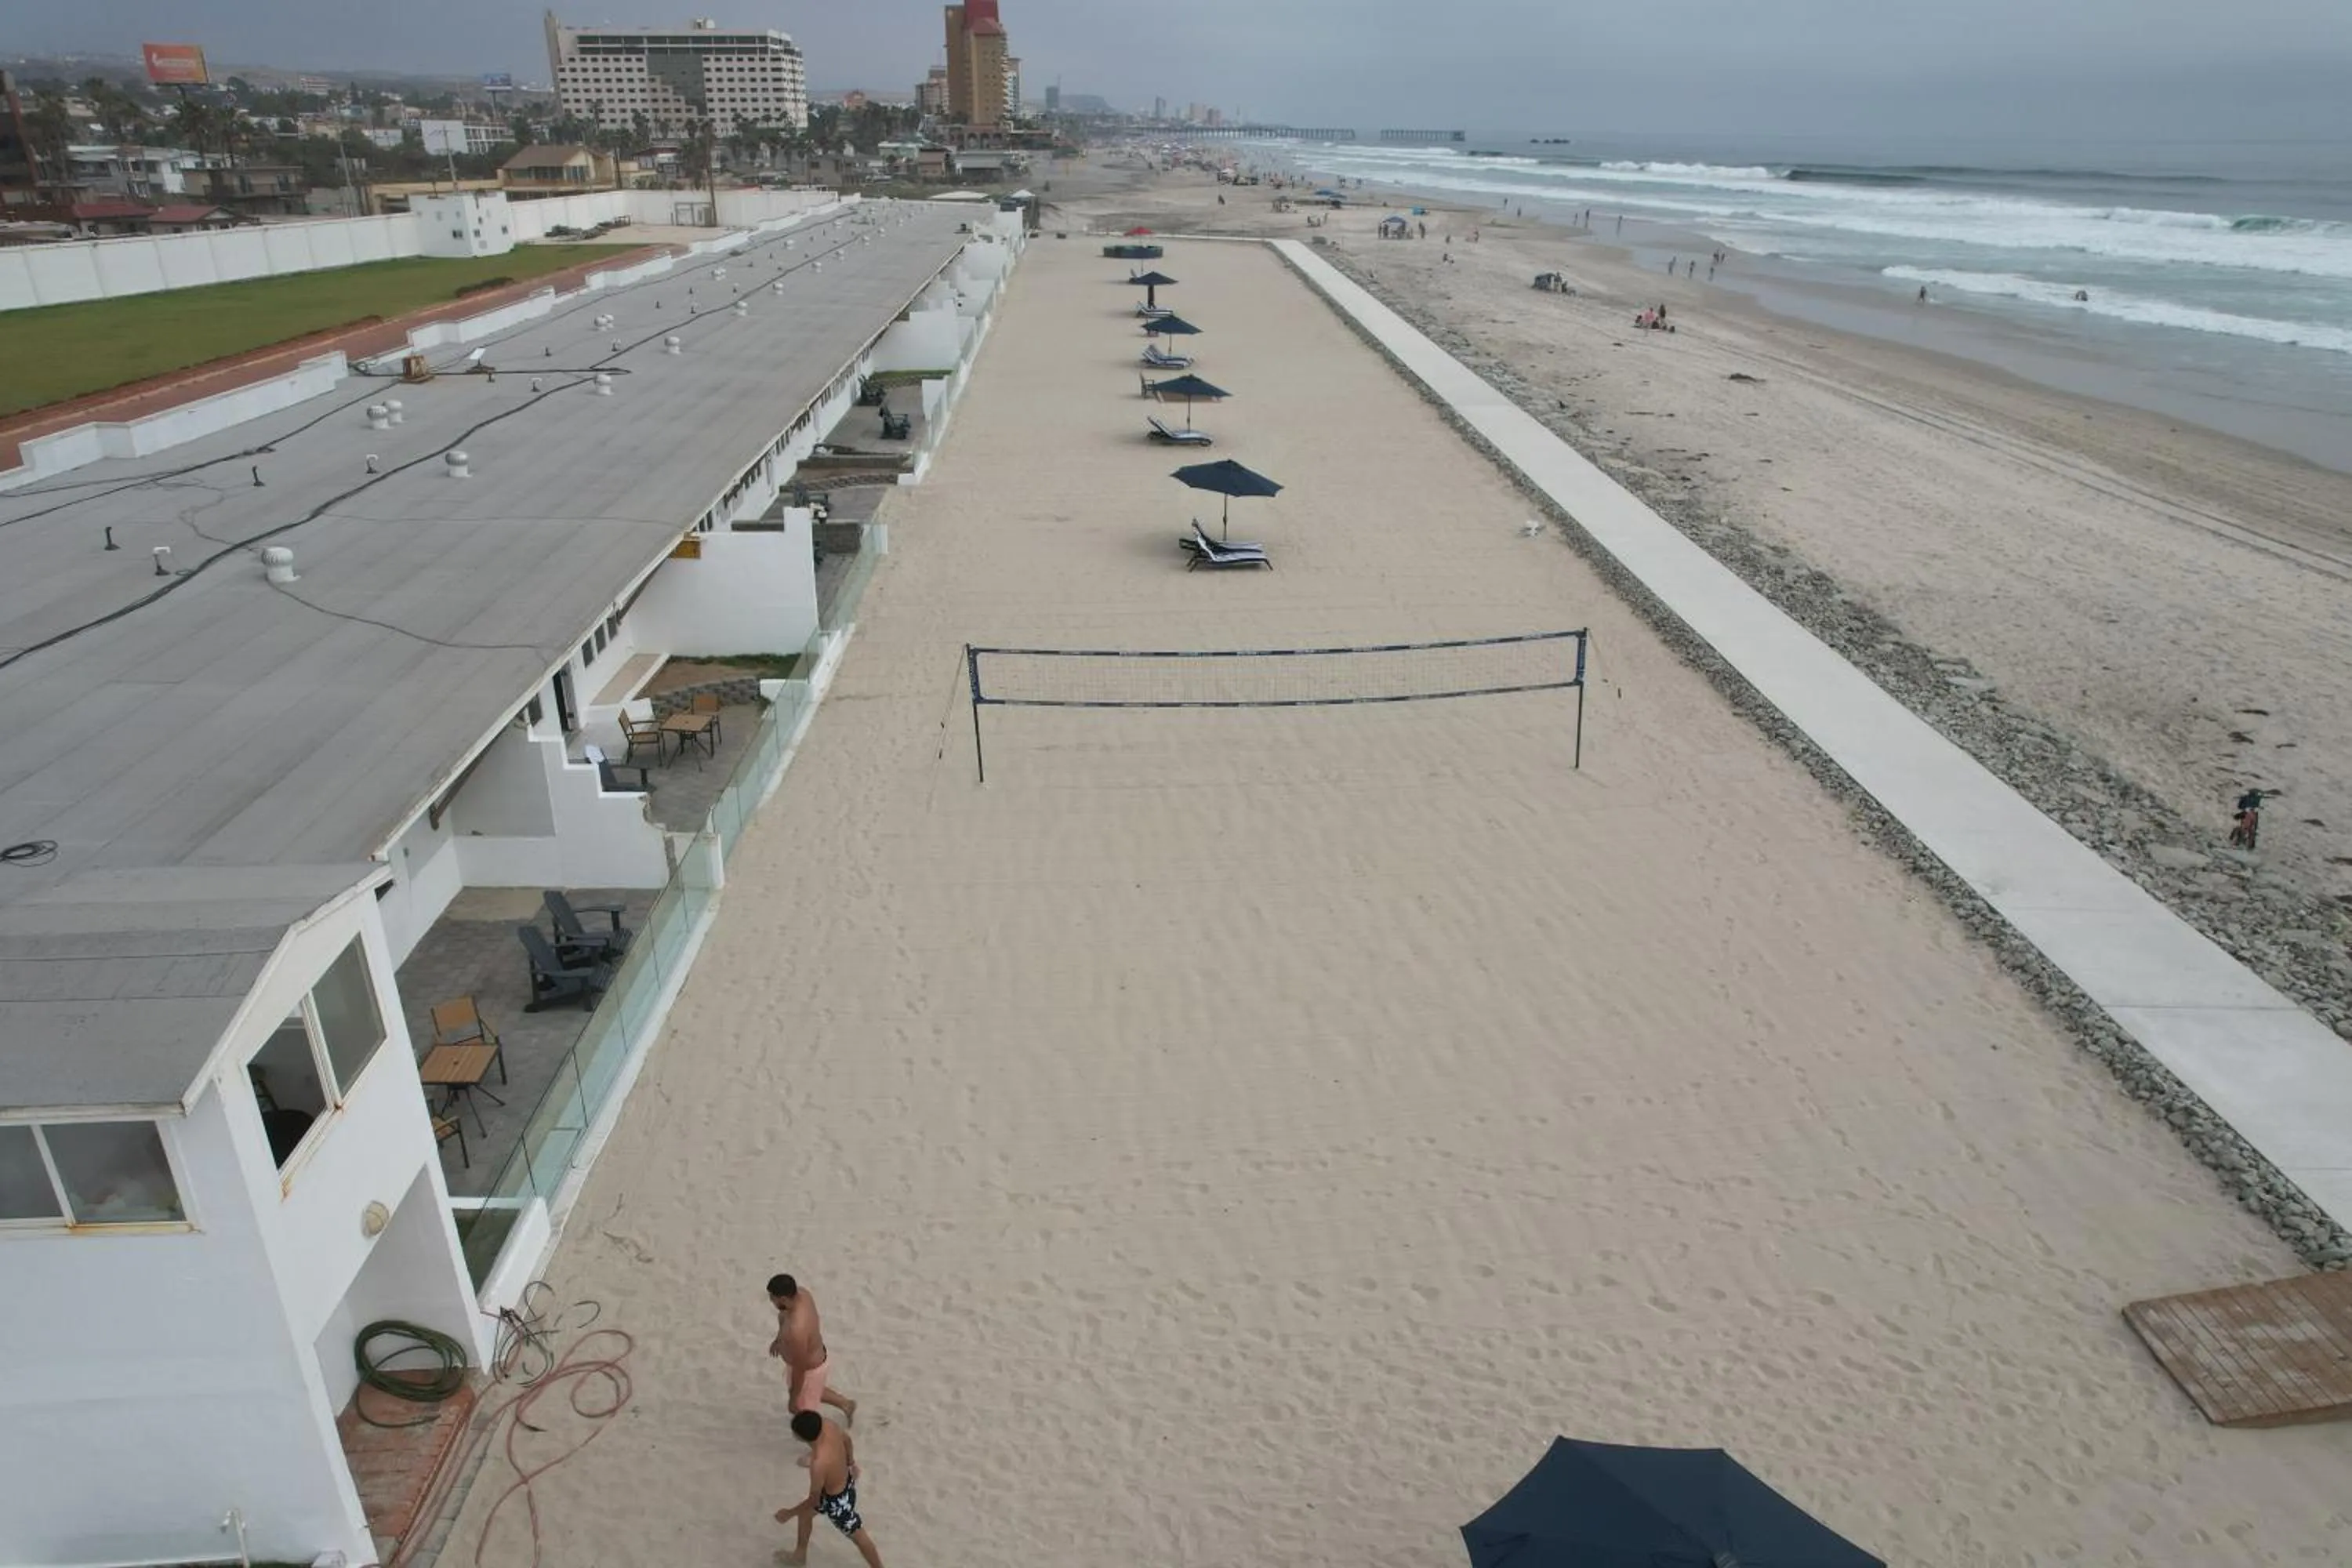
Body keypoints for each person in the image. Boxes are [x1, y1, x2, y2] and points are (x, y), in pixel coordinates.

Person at [776, 1410, 884, 1568]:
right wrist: (851, 1463)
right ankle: (799, 1557)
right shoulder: (829, 1425)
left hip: (837, 1503)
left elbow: (814, 1500)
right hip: (845, 1481)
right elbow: (847, 1440)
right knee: (805, 1515)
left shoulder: (818, 1464)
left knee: (859, 1536)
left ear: (800, 1438)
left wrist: (789, 1513)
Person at [768, 1273, 857, 1428]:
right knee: (813, 1389)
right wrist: (779, 1340)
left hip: (809, 1368)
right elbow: (783, 1316)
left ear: (782, 1299)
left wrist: (793, 1398)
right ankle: (846, 1404)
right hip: (812, 1359)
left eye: (772, 1298)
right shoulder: (802, 1294)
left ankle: (825, 1443)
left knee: (804, 1415)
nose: (770, 1301)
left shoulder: (797, 1331)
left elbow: (800, 1369)